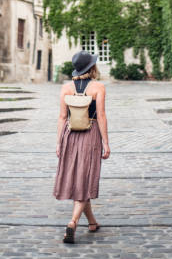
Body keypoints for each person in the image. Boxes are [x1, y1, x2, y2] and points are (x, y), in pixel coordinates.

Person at [53, 50, 110, 244]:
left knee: (80, 180)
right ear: (92, 67)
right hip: (90, 134)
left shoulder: (66, 88)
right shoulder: (98, 87)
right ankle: (73, 222)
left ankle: (92, 222)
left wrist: (59, 142)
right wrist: (106, 143)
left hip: (70, 136)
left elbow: (62, 117)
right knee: (85, 181)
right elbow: (101, 116)